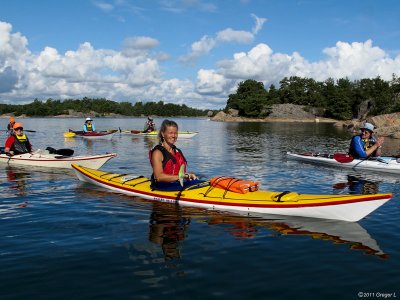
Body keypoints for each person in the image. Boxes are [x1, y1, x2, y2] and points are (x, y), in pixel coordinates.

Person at [149, 119, 200, 190]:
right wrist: (181, 176)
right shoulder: (158, 153)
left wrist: (189, 175)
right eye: (170, 133)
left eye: (176, 133)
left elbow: (180, 172)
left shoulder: (177, 151)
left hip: (177, 183)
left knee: (201, 182)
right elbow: (159, 177)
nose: (174, 136)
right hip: (163, 186)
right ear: (163, 134)